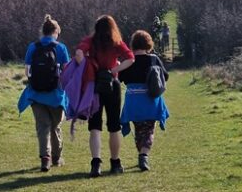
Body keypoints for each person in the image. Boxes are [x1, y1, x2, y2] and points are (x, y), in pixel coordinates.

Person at [74, 15, 135, 177]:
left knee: (95, 126)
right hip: (112, 85)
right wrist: (114, 70)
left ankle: (96, 164)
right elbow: (130, 58)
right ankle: (115, 163)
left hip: (94, 86)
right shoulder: (116, 42)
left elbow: (79, 54)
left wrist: (88, 69)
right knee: (114, 126)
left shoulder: (90, 41)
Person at [17, 15, 70, 172]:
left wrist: (35, 81)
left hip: (36, 94)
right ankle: (56, 157)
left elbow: (27, 71)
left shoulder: (33, 47)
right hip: (56, 95)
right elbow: (67, 71)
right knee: (55, 126)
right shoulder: (61, 48)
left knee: (42, 127)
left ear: (43, 31)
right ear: (55, 32)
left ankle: (45, 159)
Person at [113, 30, 170, 171]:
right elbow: (165, 76)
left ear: (133, 44)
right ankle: (143, 156)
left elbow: (119, 78)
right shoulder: (153, 59)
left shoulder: (129, 61)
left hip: (133, 102)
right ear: (148, 44)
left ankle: (142, 155)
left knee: (139, 129)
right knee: (149, 129)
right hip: (150, 100)